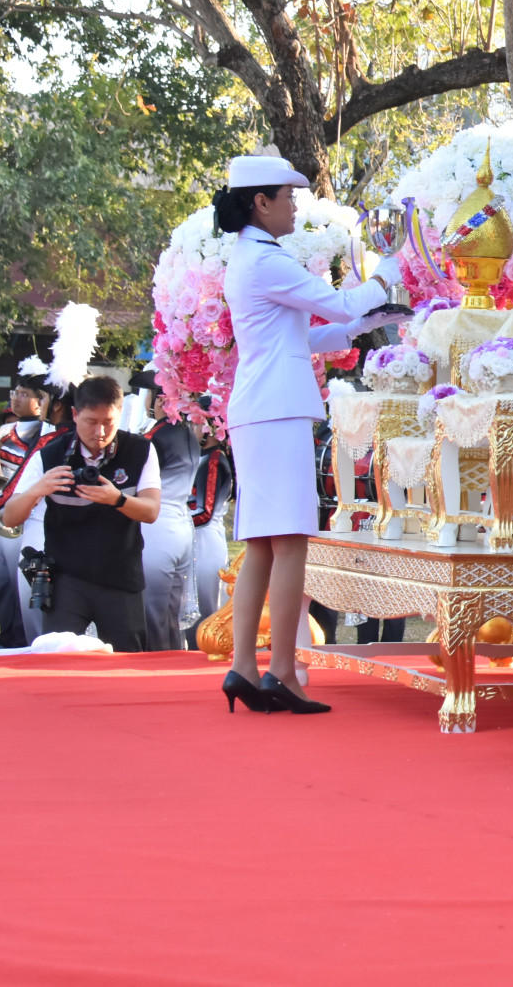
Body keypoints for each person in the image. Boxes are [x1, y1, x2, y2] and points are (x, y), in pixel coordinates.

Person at [215, 154, 404, 714]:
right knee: (291, 538)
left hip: (263, 407)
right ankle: (278, 671)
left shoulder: (253, 257)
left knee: (262, 546)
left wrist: (365, 323)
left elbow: (306, 338)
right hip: (275, 412)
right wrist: (387, 269)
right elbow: (341, 301)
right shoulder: (265, 260)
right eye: (287, 197)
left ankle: (246, 667)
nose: (295, 205)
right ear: (260, 203)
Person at [0, 375, 161, 649]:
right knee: (57, 660)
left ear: (119, 414)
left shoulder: (141, 450)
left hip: (120, 576)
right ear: (75, 415)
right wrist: (39, 489)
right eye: (91, 421)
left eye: (108, 422)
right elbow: (10, 517)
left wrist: (118, 499)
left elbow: (151, 511)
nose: (99, 431)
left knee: (128, 664)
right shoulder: (50, 454)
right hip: (66, 578)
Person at [0, 359, 57, 646]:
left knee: (21, 580)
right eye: (15, 392)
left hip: (23, 515)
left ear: (40, 402)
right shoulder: (2, 434)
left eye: (25, 394)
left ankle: (24, 639)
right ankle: (7, 636)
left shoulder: (48, 436)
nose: (16, 398)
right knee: (4, 584)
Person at [136, 374, 201, 650]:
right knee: (170, 614)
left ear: (161, 399)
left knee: (153, 614)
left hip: (157, 526)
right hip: (182, 526)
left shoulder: (152, 438)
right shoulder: (190, 434)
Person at [184, 410, 233, 647]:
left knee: (207, 606)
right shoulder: (203, 457)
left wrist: (173, 519)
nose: (191, 429)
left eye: (195, 424)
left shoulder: (214, 459)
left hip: (205, 540)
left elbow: (205, 511)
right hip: (195, 537)